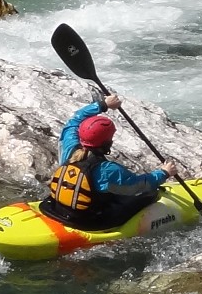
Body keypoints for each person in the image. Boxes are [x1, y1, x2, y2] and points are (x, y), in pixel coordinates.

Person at [39, 94, 180, 231]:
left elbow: (74, 121)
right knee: (147, 195)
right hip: (87, 221)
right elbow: (139, 186)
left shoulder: (69, 147)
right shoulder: (108, 170)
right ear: (108, 143)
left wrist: (103, 104)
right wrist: (164, 173)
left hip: (57, 209)